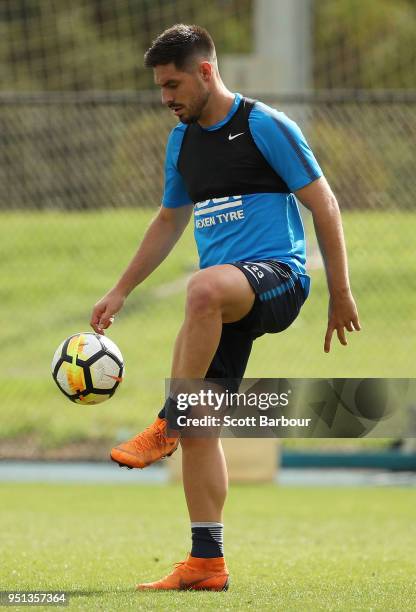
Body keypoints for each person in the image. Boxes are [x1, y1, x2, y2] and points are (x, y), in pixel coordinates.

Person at [90, 24, 361, 591]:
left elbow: (325, 204)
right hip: (224, 297)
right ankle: (206, 561)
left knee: (202, 289)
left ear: (206, 71)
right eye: (160, 88)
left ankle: (168, 418)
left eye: (173, 84)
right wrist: (121, 290)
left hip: (279, 279)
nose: (166, 97)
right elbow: (169, 220)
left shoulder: (265, 126)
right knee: (203, 424)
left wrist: (339, 290)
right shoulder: (181, 143)